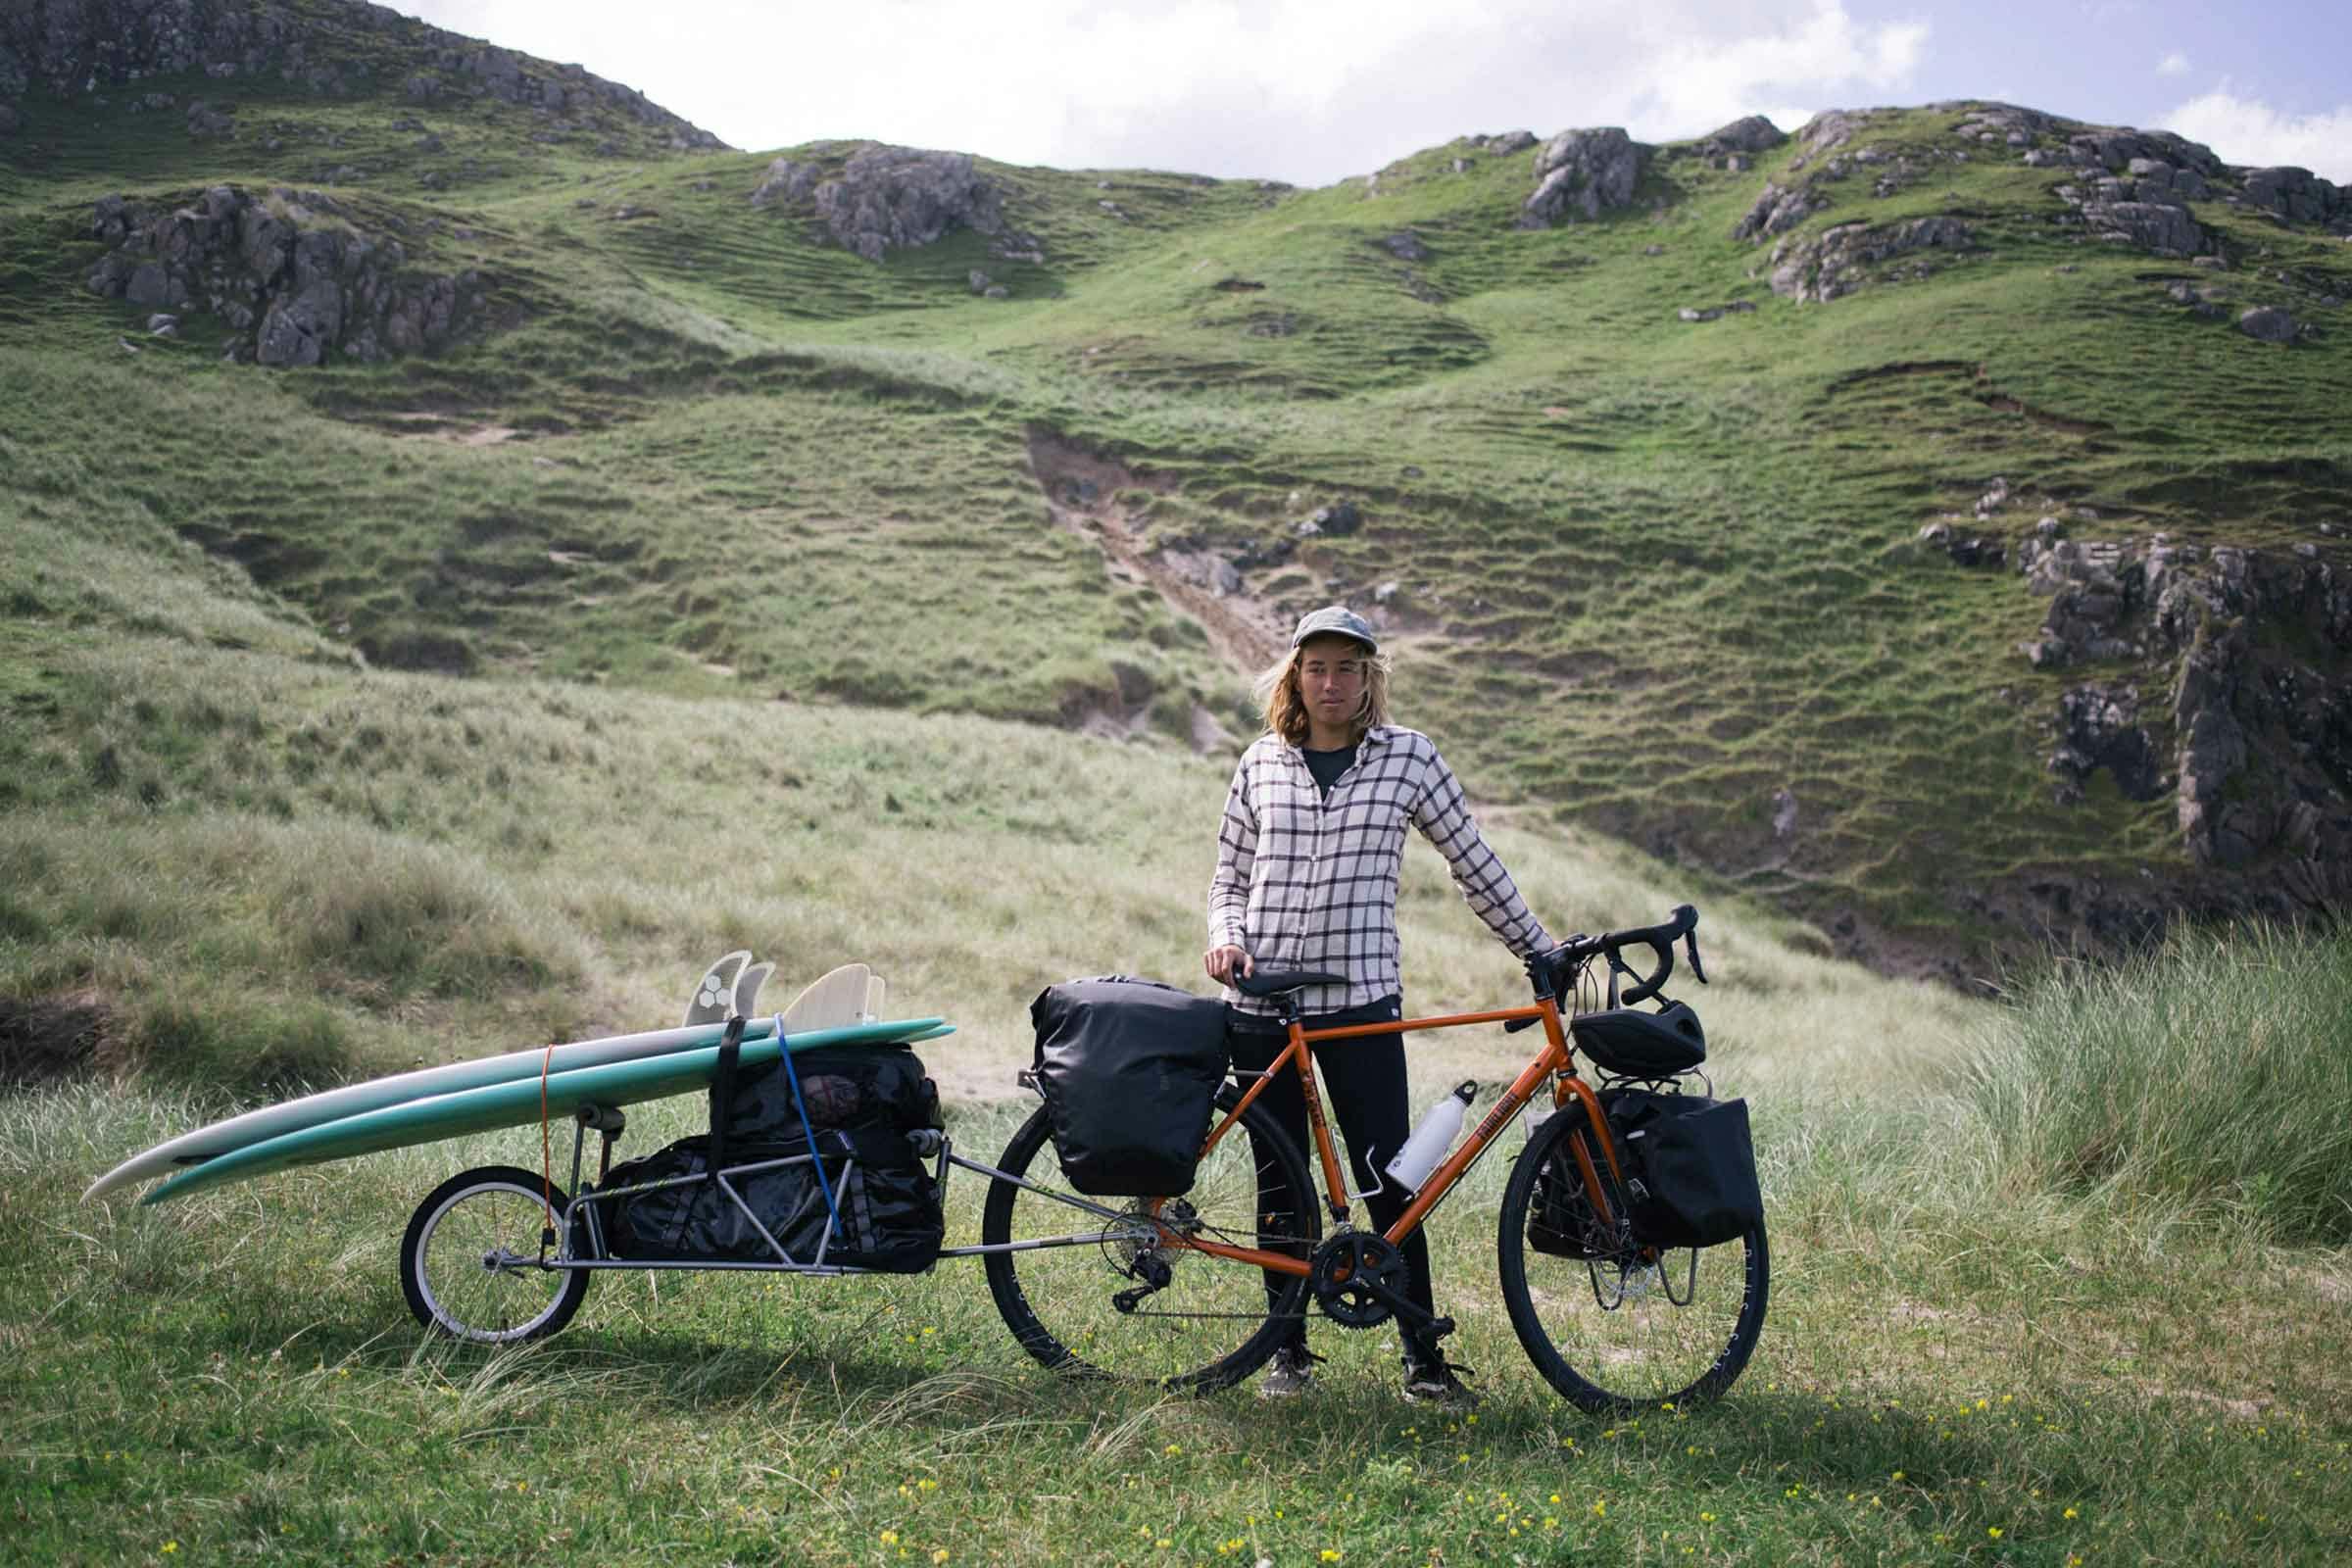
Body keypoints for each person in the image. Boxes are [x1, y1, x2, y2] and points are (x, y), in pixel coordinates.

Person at [1204, 605, 1554, 1407]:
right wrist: (1224, 939)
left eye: (1347, 669)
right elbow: (1228, 878)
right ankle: (1285, 1352)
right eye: (1316, 668)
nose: (1331, 683)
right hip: (1260, 1004)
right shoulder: (1260, 761)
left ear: (1370, 679)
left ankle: (1423, 1363)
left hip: (1360, 999)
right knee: (1280, 1180)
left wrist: (1536, 947)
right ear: (1295, 677)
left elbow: (1473, 861)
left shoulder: (1409, 758)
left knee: (1393, 1180)